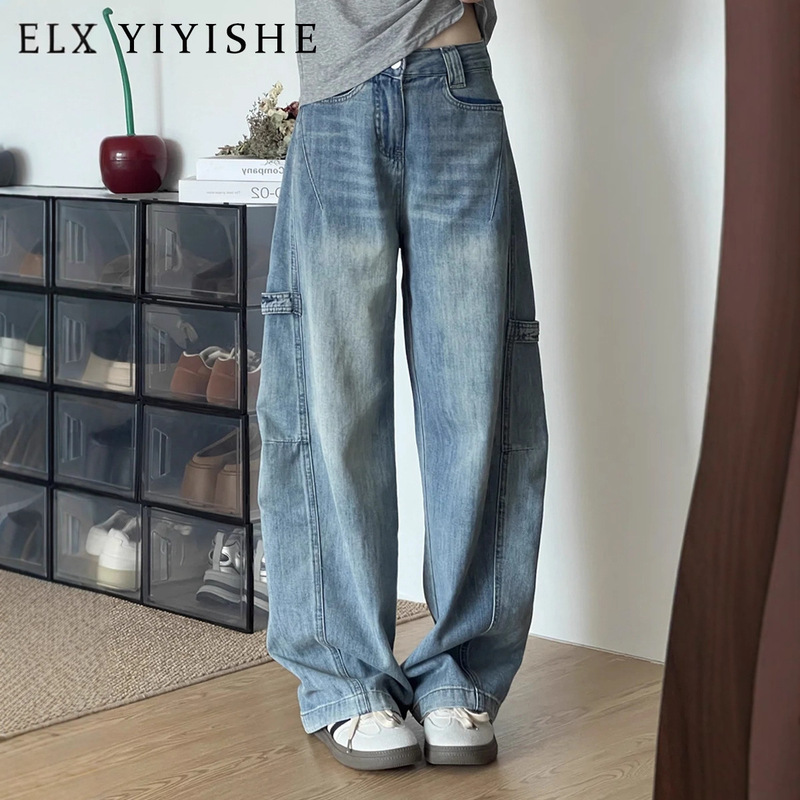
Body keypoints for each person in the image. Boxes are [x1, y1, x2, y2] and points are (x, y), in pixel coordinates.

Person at [256, 0, 548, 771]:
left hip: (455, 81)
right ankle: (346, 677)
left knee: (476, 393)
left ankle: (461, 672)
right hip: (336, 100)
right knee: (332, 403)